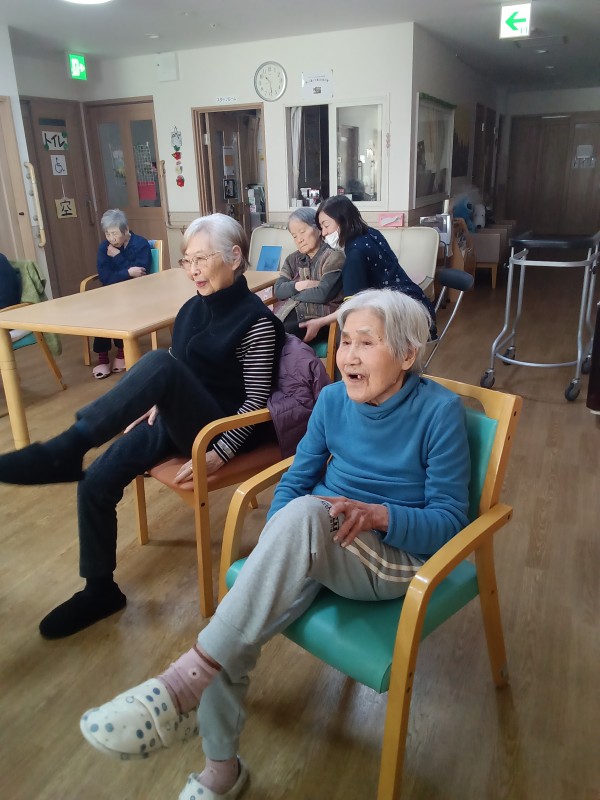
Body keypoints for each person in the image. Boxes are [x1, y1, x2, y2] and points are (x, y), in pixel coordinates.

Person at [78, 288, 470, 800]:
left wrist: (379, 515)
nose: (348, 355)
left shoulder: (440, 412)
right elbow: (296, 479)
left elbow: (450, 521)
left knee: (301, 520)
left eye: (366, 342)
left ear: (407, 354)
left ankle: (180, 687)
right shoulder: (332, 400)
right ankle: (221, 770)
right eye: (344, 341)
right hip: (322, 537)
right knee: (234, 626)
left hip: (393, 559)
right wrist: (278, 545)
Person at [0, 213, 290, 639]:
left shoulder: (258, 321)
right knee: (95, 480)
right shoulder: (191, 308)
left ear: (234, 257)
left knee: (157, 362)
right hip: (182, 420)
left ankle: (66, 447)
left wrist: (221, 451)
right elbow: (180, 368)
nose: (192, 270)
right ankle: (100, 589)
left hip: (222, 431)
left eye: (201, 259)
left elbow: (255, 401)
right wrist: (154, 399)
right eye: (187, 260)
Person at [301, 195, 436, 343]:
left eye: (326, 225)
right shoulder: (371, 233)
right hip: (419, 307)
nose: (324, 233)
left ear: (343, 220)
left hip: (405, 322)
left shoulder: (355, 254)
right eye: (321, 228)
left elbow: (352, 306)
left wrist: (320, 322)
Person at [93, 209, 153, 379]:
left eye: (114, 234)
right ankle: (103, 356)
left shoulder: (140, 244)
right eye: (107, 234)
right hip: (111, 292)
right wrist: (127, 272)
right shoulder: (104, 248)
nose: (111, 239)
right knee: (101, 310)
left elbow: (140, 273)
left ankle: (122, 351)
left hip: (137, 292)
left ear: (125, 230)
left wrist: (119, 257)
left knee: (120, 307)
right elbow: (105, 277)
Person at [273, 207, 344, 341]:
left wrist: (291, 295)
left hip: (318, 320)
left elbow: (323, 294)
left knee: (276, 335)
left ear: (318, 229)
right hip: (288, 314)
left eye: (302, 232)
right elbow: (278, 290)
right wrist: (303, 285)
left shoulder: (334, 257)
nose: (299, 239)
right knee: (261, 329)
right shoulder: (292, 259)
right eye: (294, 236)